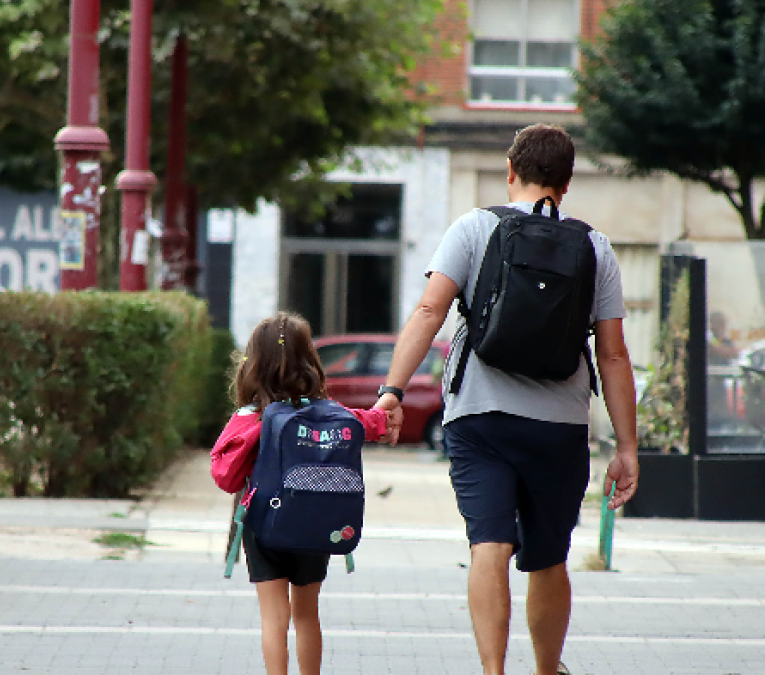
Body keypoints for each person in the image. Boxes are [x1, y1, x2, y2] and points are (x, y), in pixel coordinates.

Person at [371, 124, 639, 675]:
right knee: (548, 558)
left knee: (488, 546)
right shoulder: (595, 246)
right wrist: (628, 446)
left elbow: (429, 311)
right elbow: (613, 355)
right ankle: (545, 670)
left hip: (478, 416)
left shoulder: (474, 227)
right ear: (565, 184)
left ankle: (493, 670)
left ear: (510, 172)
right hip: (560, 425)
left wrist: (392, 391)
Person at [211, 312, 402, 675]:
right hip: (317, 525)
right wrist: (387, 410)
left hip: (265, 524)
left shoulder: (252, 416)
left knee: (274, 617)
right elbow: (372, 422)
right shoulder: (330, 413)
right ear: (311, 361)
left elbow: (225, 477)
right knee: (307, 614)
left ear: (254, 363)